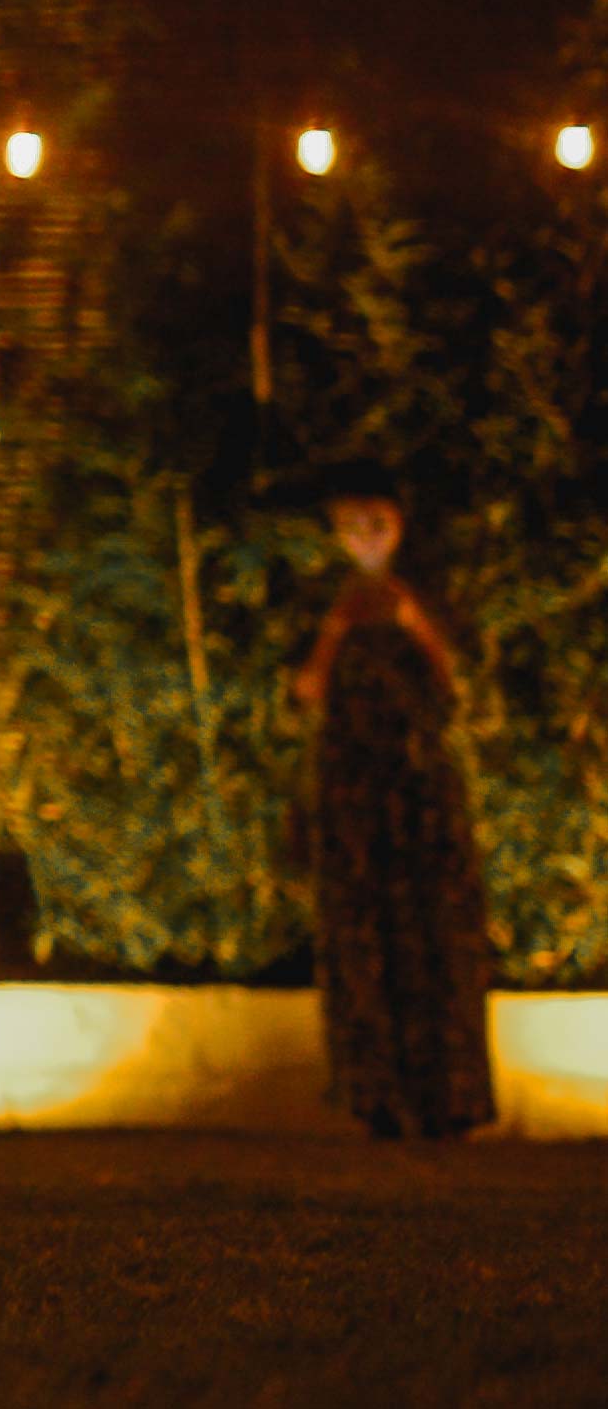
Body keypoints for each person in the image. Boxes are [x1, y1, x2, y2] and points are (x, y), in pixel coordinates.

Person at [293, 472, 493, 1139]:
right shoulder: (326, 602)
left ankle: (447, 1096)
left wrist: (412, 621)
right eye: (351, 522)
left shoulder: (425, 597)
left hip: (420, 788)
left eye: (375, 520)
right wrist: (334, 628)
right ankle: (374, 1095)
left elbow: (456, 683)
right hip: (353, 787)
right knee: (363, 930)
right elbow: (307, 690)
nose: (364, 535)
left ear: (399, 522)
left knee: (431, 929)